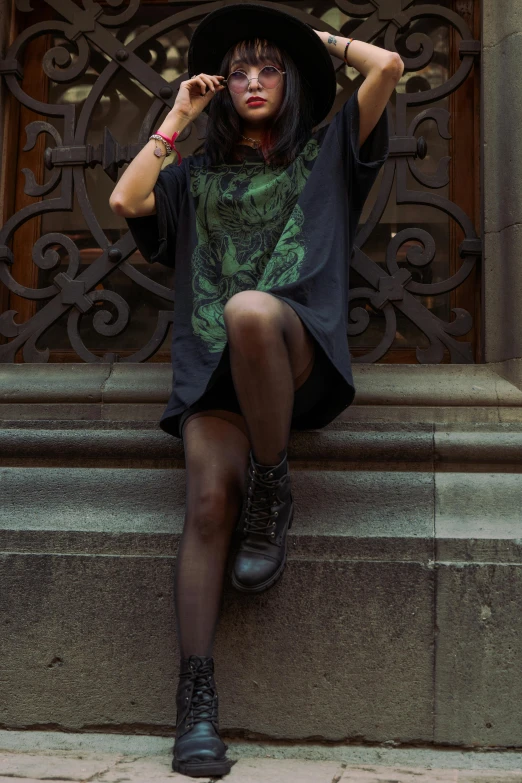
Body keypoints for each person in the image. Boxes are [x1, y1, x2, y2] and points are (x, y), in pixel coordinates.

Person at [109, 3, 403, 777]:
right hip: (213, 377)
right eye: (238, 70)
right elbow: (126, 201)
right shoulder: (196, 178)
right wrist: (178, 112)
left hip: (292, 354)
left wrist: (313, 39)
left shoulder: (328, 150)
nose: (250, 80)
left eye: (267, 67)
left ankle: (272, 482)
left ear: (293, 81)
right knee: (207, 503)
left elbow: (388, 69)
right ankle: (195, 706)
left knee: (249, 310)